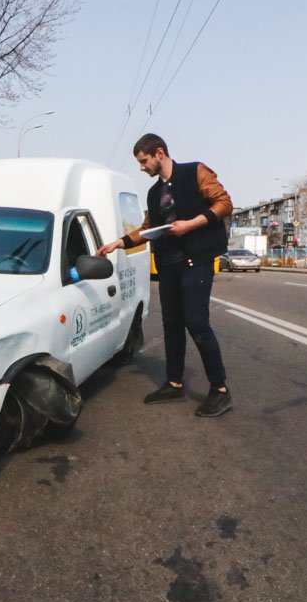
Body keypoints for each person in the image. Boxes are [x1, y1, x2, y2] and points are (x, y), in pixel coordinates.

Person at [96, 133, 235, 417]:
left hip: (196, 260)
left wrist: (191, 224)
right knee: (171, 324)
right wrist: (119, 242)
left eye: (143, 161)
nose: (141, 167)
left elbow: (224, 203)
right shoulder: (153, 193)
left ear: (159, 153)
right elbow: (147, 228)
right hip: (168, 264)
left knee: (197, 322)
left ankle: (220, 390)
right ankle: (174, 382)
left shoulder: (195, 172)